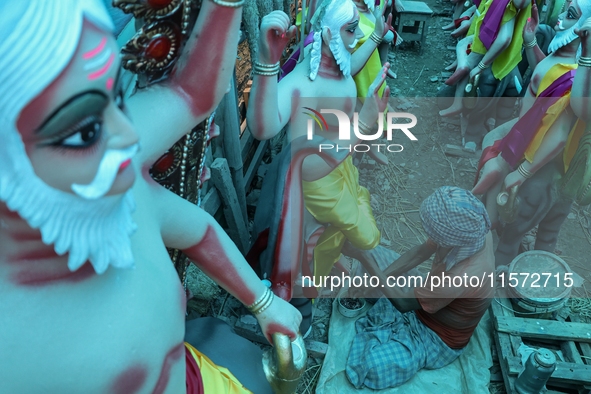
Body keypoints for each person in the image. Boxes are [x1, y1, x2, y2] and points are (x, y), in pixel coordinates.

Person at [0, 0, 301, 392]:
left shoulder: (108, 184)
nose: (128, 137)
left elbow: (190, 97)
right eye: (87, 132)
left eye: (117, 99)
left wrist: (263, 303)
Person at [246, 0, 391, 291]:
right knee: (365, 236)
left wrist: (375, 35)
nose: (357, 36)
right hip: (318, 183)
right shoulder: (306, 83)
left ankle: (325, 258)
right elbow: (265, 130)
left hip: (341, 166)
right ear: (327, 35)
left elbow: (350, 67)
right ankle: (307, 284)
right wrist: (267, 62)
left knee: (329, 232)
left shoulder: (334, 60)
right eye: (352, 30)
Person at [472, 0, 591, 266]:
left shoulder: (574, 78)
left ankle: (498, 262)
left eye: (570, 15)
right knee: (492, 141)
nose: (560, 18)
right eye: (564, 10)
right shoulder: (562, 57)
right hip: (526, 132)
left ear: (584, 29)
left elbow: (560, 134)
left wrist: (524, 171)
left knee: (513, 232)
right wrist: (529, 42)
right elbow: (542, 72)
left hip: (536, 152)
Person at [344, 187, 495, 389]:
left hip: (434, 336)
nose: (430, 236)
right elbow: (420, 252)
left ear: (449, 238)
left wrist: (365, 260)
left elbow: (403, 303)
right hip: (426, 295)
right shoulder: (473, 231)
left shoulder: (462, 276)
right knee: (375, 253)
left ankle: (394, 336)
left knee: (372, 367)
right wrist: (373, 279)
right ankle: (378, 295)